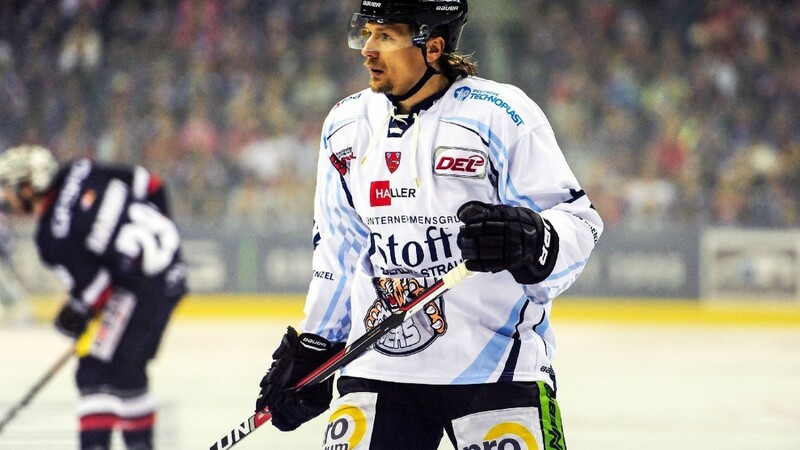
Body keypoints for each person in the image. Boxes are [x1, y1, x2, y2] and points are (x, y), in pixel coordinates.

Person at [254, 1, 603, 449]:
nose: (368, 49)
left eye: (386, 37)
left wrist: (532, 239)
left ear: (432, 46)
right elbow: (338, 249)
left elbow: (579, 220)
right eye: (367, 33)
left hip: (496, 367)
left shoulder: (501, 114)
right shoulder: (346, 125)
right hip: (377, 368)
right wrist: (317, 344)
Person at [0, 145, 187, 450]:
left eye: (7, 189)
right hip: (171, 272)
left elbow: (95, 291)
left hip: (141, 287)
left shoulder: (51, 237)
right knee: (126, 372)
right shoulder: (81, 170)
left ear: (27, 187)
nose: (5, 200)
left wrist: (71, 318)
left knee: (94, 373)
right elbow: (152, 185)